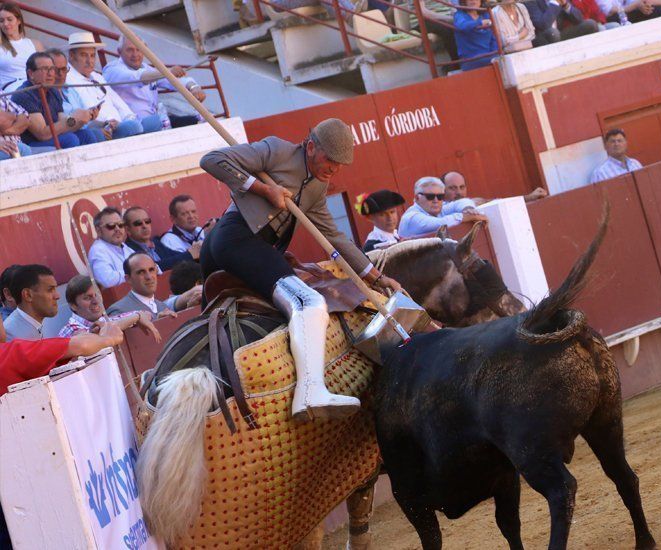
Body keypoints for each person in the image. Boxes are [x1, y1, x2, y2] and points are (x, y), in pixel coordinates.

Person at [199, 118, 401, 421]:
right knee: (310, 302)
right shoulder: (277, 151)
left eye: (339, 165)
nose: (333, 169)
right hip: (237, 238)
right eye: (329, 160)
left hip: (252, 248)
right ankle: (310, 391)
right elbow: (212, 160)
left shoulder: (318, 188)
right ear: (310, 146)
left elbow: (334, 237)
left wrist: (376, 276)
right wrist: (264, 189)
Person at [103, 37, 202, 130]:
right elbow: (138, 77)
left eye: (139, 49)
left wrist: (193, 86)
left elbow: (172, 80)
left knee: (197, 121)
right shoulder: (112, 69)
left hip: (156, 122)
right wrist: (167, 72)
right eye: (130, 50)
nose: (135, 54)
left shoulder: (147, 68)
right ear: (119, 52)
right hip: (133, 126)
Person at [64, 33, 148, 142]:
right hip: (97, 129)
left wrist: (125, 120)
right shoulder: (66, 78)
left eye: (93, 55)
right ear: (71, 55)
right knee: (135, 127)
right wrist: (104, 125)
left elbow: (120, 105)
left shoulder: (97, 76)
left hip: (117, 125)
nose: (90, 61)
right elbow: (75, 117)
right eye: (84, 55)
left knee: (152, 122)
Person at [11, 52, 99, 150]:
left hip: (51, 137)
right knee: (70, 139)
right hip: (31, 144)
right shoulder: (24, 94)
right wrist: (73, 119)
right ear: (31, 74)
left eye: (52, 69)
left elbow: (64, 125)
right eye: (44, 69)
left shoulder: (53, 90)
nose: (50, 73)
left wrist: (82, 119)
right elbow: (42, 134)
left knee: (87, 134)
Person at [57, 274, 160, 342]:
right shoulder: (70, 330)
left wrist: (140, 315)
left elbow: (146, 314)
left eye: (97, 295)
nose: (95, 301)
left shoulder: (102, 320)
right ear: (73, 305)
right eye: (87, 298)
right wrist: (136, 316)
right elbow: (97, 335)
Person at [399, 176, 488, 238]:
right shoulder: (411, 217)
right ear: (417, 198)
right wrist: (467, 216)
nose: (436, 200)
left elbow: (461, 202)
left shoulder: (437, 209)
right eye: (430, 196)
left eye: (440, 196)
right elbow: (439, 224)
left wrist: (468, 209)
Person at [124, 206, 198, 271]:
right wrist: (190, 254)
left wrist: (193, 253)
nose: (144, 226)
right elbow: (155, 267)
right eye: (138, 223)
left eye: (147, 221)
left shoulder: (156, 243)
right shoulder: (128, 250)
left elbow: (176, 257)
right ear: (128, 230)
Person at [107, 253, 176, 319]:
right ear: (128, 279)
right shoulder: (118, 311)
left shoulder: (163, 307)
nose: (149, 277)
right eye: (141, 272)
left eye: (151, 270)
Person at [2, 264, 58, 341]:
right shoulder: (10, 336)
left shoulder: (31, 324)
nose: (57, 296)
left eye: (55, 289)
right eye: (50, 290)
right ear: (27, 295)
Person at [88, 206, 137, 288]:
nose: (117, 229)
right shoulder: (98, 250)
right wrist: (136, 273)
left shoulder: (125, 247)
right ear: (98, 231)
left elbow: (153, 268)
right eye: (111, 226)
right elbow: (107, 281)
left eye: (120, 225)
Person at [0, 2, 44, 92]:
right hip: (12, 90)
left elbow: (47, 69)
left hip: (36, 86)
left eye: (9, 19)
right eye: (1, 21)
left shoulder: (35, 44)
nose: (5, 24)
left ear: (19, 20)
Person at [441, 170, 548, 204]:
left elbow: (501, 203)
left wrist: (530, 197)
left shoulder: (475, 203)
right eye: (452, 188)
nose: (459, 192)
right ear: (442, 190)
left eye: (462, 187)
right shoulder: (437, 211)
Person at [527, 0, 597, 46]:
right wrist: (554, 3)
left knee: (590, 24)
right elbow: (543, 25)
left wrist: (565, 5)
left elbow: (579, 19)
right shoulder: (532, 2)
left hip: (561, 35)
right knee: (553, 33)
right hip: (545, 40)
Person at [453, 0, 499, 71]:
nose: (473, 0)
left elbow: (494, 39)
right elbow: (462, 26)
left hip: (489, 58)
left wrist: (494, 55)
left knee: (502, 58)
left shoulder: (485, 14)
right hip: (471, 60)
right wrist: (480, 23)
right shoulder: (459, 15)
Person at [0, 92, 31, 159]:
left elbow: (25, 117)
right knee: (22, 150)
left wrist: (6, 131)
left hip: (15, 144)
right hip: (3, 147)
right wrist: (14, 117)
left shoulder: (1, 92)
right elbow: (2, 120)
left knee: (23, 149)